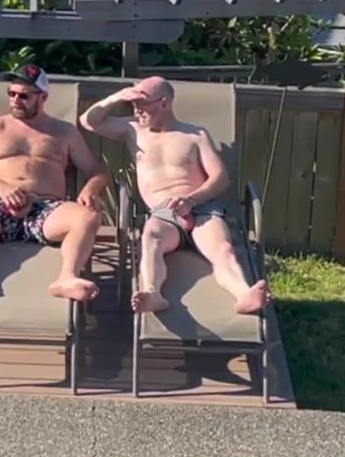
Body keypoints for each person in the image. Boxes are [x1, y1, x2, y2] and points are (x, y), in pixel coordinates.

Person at [79, 76, 269, 315]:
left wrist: (192, 199)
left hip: (201, 208)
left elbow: (220, 177)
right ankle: (152, 293)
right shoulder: (132, 129)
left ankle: (244, 295)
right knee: (150, 238)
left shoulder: (195, 134)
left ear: (164, 103)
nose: (137, 111)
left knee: (223, 249)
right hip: (163, 212)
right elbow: (88, 121)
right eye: (133, 105)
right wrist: (117, 97)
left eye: (142, 105)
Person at [0, 64, 108, 301]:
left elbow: (97, 170)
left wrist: (91, 189)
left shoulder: (64, 132)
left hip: (47, 210)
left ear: (43, 97)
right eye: (12, 93)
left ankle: (67, 278)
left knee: (88, 216)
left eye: (24, 96)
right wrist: (0, 186)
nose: (16, 100)